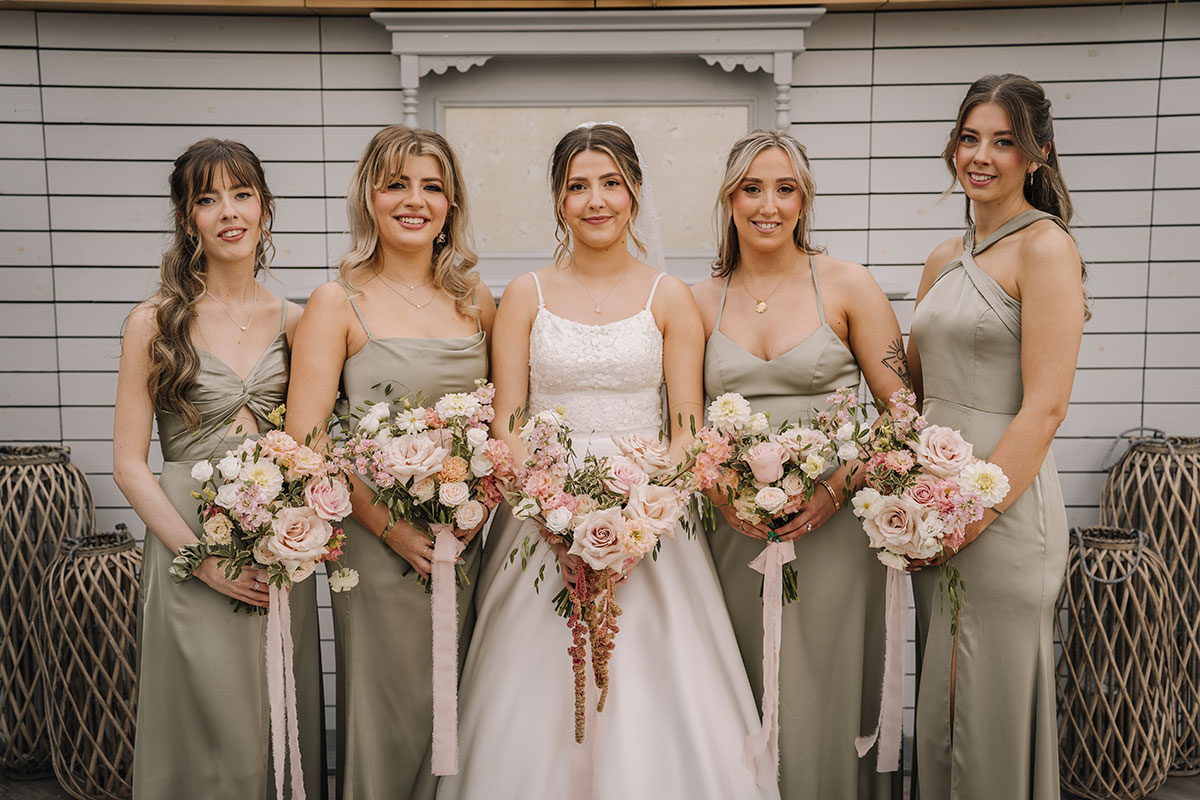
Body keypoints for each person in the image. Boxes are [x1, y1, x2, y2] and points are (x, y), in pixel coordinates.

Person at [437, 123, 777, 800]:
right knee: (532, 688)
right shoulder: (525, 296)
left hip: (650, 520)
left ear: (635, 192)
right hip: (541, 518)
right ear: (560, 201)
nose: (596, 200)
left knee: (657, 686)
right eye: (578, 186)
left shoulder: (669, 298)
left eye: (611, 183)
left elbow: (685, 429)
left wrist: (640, 527)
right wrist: (552, 521)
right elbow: (508, 421)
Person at [692, 129, 905, 799]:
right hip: (733, 528)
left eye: (785, 189)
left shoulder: (847, 285)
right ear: (729, 199)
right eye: (752, 188)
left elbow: (903, 413)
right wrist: (723, 488)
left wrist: (838, 487)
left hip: (834, 530)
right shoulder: (697, 300)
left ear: (804, 199)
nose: (768, 205)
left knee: (823, 688)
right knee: (739, 684)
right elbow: (679, 417)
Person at [284, 125, 494, 800]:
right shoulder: (335, 302)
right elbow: (306, 444)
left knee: (470, 699)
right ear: (369, 197)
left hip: (466, 539)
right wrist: (393, 531)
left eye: (432, 186)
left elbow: (505, 423)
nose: (415, 200)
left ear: (452, 202)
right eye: (397, 184)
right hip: (374, 545)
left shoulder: (476, 300)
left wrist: (477, 511)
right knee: (386, 704)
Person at [113, 138, 323, 798]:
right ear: (187, 220)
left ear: (265, 208)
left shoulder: (301, 321)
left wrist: (300, 529)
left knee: (272, 724)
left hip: (279, 545)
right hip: (187, 542)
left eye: (241, 194)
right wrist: (198, 557)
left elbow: (317, 444)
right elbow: (127, 464)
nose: (228, 212)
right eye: (207, 199)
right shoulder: (154, 322)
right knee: (207, 731)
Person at [907, 73, 1085, 800]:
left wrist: (968, 516)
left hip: (1000, 515)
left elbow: (1045, 408)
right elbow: (913, 392)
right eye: (970, 137)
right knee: (943, 706)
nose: (981, 156)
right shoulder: (942, 257)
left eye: (1004, 141)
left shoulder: (1046, 250)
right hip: (929, 512)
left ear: (1038, 153)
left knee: (986, 705)